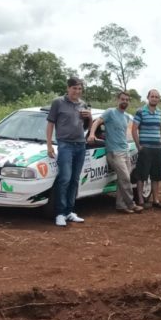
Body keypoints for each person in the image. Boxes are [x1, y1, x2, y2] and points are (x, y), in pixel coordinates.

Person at [46, 77, 92, 227]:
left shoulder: (83, 104)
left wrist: (89, 117)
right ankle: (59, 213)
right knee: (64, 178)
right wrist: (49, 145)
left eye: (79, 89)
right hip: (65, 144)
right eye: (74, 88)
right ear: (68, 88)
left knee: (75, 179)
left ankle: (69, 211)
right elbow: (50, 124)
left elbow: (86, 128)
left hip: (80, 144)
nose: (77, 91)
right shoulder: (58, 102)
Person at [88, 91, 144, 214]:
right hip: (114, 152)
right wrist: (92, 134)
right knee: (125, 179)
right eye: (122, 99)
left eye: (127, 100)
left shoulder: (125, 117)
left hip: (125, 151)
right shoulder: (110, 112)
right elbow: (97, 122)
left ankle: (120, 205)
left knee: (122, 179)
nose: (124, 101)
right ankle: (131, 204)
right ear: (117, 100)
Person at [132, 89, 161, 208]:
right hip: (145, 148)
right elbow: (134, 129)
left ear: (158, 99)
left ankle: (156, 200)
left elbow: (159, 129)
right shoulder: (140, 111)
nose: (154, 98)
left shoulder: (160, 112)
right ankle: (140, 200)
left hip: (157, 148)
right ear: (148, 97)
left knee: (156, 176)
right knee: (141, 175)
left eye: (156, 97)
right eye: (152, 96)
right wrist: (138, 146)